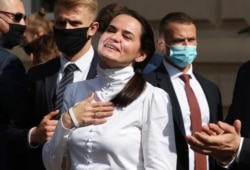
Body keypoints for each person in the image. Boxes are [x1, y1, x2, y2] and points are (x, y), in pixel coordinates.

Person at [43, 9, 177, 170]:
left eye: (126, 36)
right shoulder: (75, 90)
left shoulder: (151, 97)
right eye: (111, 30)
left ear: (141, 54)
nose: (114, 37)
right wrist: (67, 121)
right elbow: (52, 165)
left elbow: (161, 166)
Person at [4, 0, 113, 169]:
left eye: (75, 23)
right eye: (61, 22)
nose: (67, 28)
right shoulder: (38, 76)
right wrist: (34, 135)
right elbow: (11, 132)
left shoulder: (111, 73)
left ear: (92, 28)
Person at [144, 12, 224, 170]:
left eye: (191, 39)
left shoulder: (210, 89)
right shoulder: (146, 85)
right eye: (179, 41)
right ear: (161, 44)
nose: (187, 45)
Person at [186, 60, 250, 169]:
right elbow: (236, 126)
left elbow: (238, 144)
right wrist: (226, 155)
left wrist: (240, 147)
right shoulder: (246, 71)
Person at [0, 0, 27, 169]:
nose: (23, 24)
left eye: (24, 18)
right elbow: (20, 117)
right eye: (16, 17)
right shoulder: (9, 64)